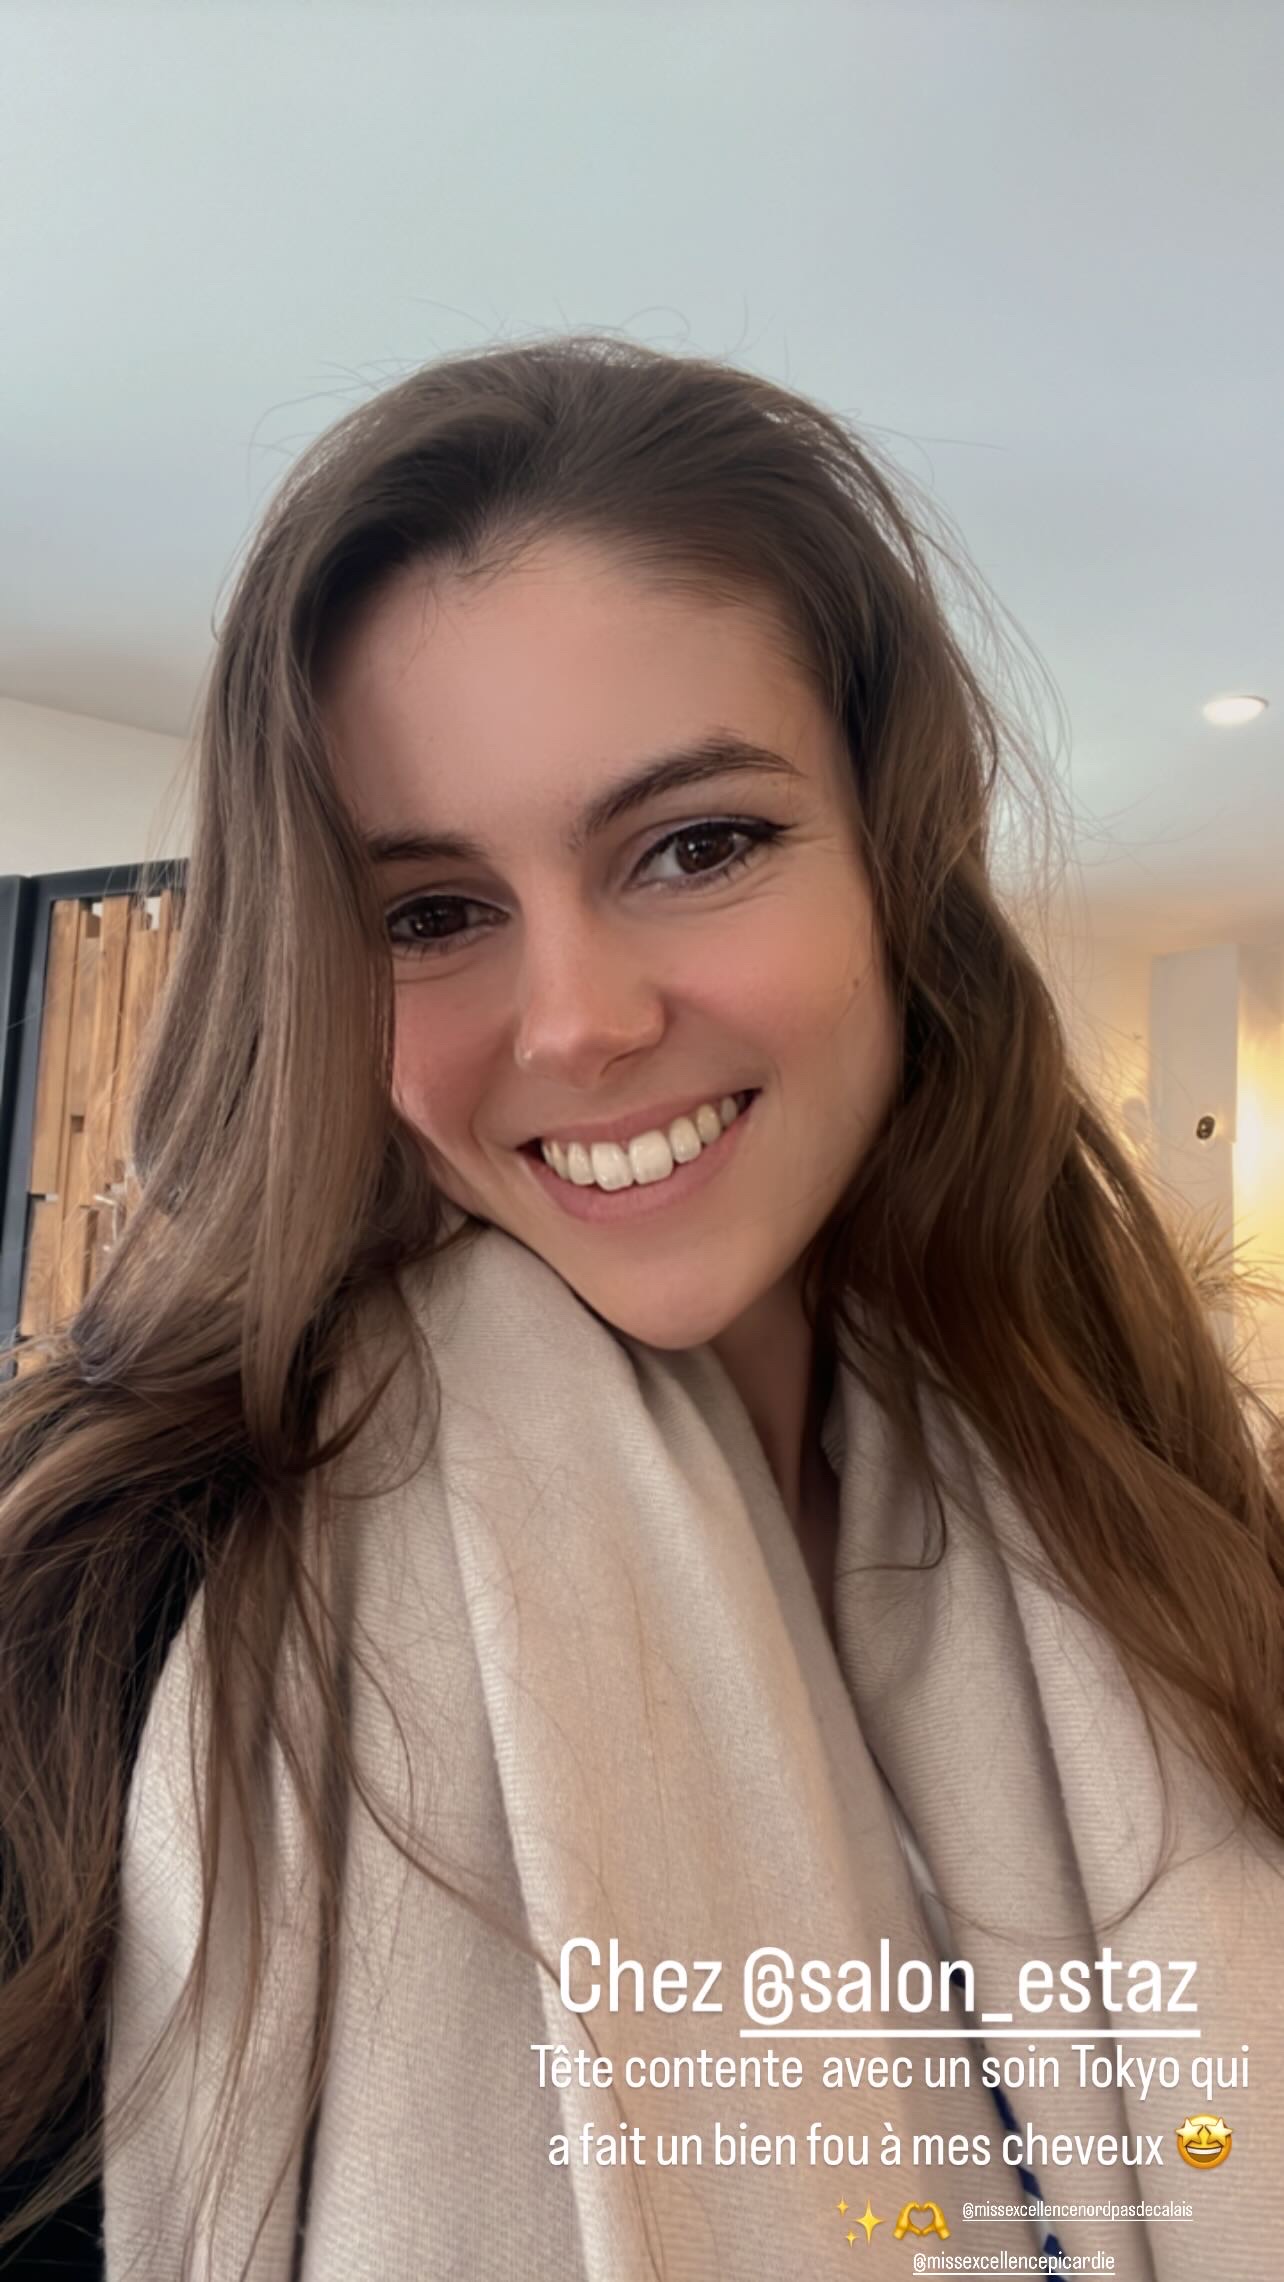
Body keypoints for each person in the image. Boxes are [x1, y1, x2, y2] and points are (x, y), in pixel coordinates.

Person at [0, 333, 1280, 2282]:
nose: (582, 1020)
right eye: (430, 912)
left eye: (698, 845)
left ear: (896, 867)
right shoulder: (107, 1607)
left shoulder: (1158, 1504)